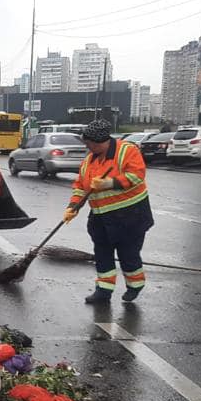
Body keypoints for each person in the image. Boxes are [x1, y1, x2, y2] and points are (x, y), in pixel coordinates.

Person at [63, 119, 153, 304]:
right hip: (100, 218)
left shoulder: (127, 150)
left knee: (128, 255)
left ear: (99, 142)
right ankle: (103, 291)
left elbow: (137, 175)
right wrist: (73, 206)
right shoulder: (89, 161)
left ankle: (135, 285)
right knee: (102, 255)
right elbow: (80, 186)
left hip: (130, 216)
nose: (87, 147)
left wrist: (110, 183)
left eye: (89, 144)